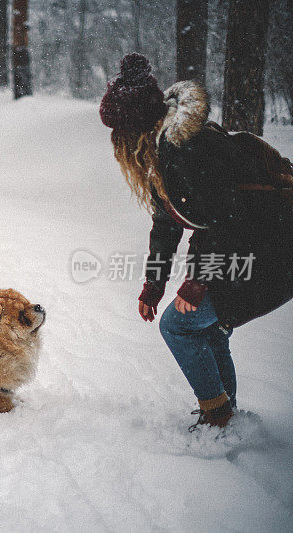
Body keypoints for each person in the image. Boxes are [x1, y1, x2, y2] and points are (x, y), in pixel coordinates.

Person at [99, 53, 293, 431]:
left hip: (271, 250)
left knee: (177, 326)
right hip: (246, 248)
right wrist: (153, 286)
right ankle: (225, 414)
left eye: (116, 134)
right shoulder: (163, 152)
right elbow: (165, 225)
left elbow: (228, 215)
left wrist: (198, 282)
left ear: (131, 132)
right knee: (203, 329)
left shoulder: (187, 149)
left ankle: (217, 416)